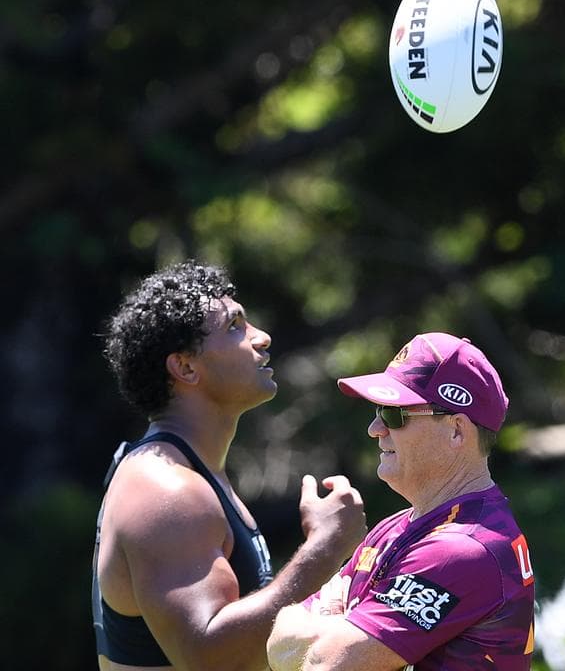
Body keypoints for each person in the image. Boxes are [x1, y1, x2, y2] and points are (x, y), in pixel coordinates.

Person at [93, 260, 368, 671]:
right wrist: (324, 549)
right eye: (236, 326)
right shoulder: (168, 491)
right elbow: (210, 659)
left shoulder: (194, 472)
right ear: (185, 367)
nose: (262, 337)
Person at [266, 332, 537, 671]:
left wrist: (332, 624)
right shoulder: (396, 527)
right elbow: (280, 645)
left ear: (456, 430)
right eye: (380, 409)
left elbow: (323, 663)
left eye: (396, 414)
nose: (375, 428)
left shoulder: (461, 549)